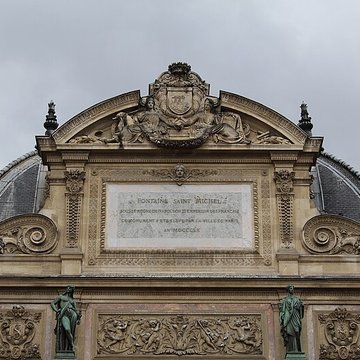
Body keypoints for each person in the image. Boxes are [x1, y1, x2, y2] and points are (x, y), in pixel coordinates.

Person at [51, 285, 81, 354]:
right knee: (67, 329)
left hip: (73, 314)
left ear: (72, 290)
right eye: (68, 287)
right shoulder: (61, 297)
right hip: (64, 315)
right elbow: (52, 303)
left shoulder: (72, 301)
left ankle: (70, 347)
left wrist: (78, 316)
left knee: (72, 331)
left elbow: (76, 310)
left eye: (70, 288)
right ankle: (72, 345)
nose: (68, 289)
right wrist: (56, 310)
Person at [279, 285, 304, 353]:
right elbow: (283, 310)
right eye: (290, 288)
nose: (292, 290)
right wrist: (282, 316)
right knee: (290, 333)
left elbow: (300, 308)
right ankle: (291, 350)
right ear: (288, 290)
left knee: (297, 331)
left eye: (293, 288)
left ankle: (298, 349)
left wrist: (301, 306)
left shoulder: (297, 299)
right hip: (288, 318)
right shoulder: (285, 300)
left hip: (296, 316)